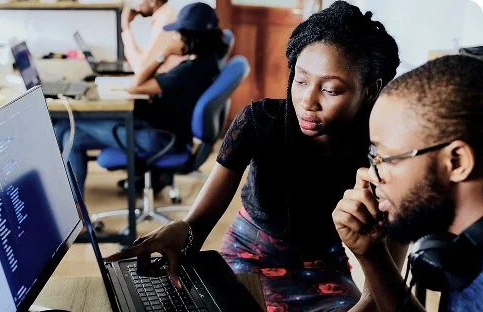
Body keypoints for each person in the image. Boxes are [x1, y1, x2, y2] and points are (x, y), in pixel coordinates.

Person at [105, 1, 402, 311]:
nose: (307, 101)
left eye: (330, 89)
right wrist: (182, 231)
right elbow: (198, 224)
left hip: (325, 270)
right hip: (248, 257)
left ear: (369, 90)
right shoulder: (261, 122)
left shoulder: (385, 153)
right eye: (300, 81)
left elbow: (380, 289)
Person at [333, 55, 483, 311]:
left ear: (456, 162)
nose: (370, 174)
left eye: (385, 158)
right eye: (373, 157)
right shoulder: (460, 249)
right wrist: (372, 255)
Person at [56, 2, 227, 194]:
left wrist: (164, 53)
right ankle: (74, 208)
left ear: (190, 37)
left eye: (177, 33)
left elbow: (136, 85)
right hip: (165, 132)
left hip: (159, 139)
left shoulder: (188, 71)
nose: (174, 37)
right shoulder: (207, 63)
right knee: (66, 130)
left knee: (69, 132)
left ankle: (75, 211)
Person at [121, 0, 184, 75]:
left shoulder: (164, 21)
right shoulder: (164, 16)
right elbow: (145, 61)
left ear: (152, 1)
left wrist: (126, 27)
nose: (136, 6)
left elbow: (141, 69)